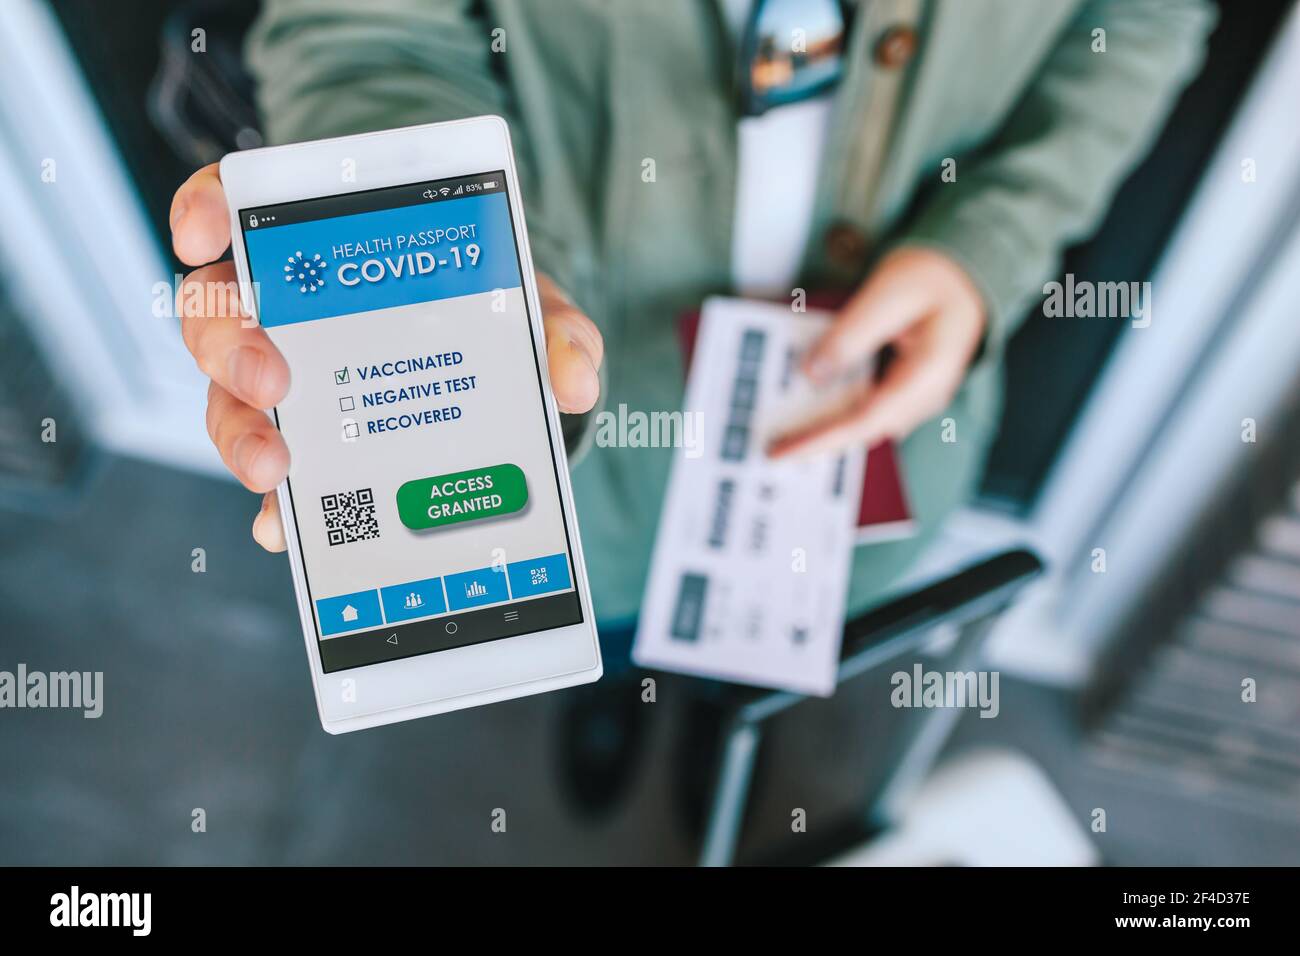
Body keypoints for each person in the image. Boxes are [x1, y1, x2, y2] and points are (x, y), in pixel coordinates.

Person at [170, 0, 1213, 809]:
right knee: (611, 636)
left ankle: (720, 718)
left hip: (869, 421)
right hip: (597, 443)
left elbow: (1146, 17)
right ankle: (621, 692)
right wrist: (451, 278)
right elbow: (365, 38)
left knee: (760, 656)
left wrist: (989, 242)